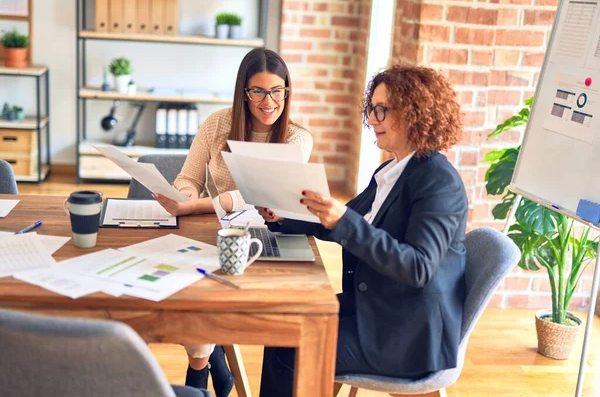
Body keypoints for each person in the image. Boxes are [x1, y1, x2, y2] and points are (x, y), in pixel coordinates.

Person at [257, 64, 468, 396]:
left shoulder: (439, 181)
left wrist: (342, 220)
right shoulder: (392, 170)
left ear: (414, 113)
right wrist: (282, 217)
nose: (372, 120)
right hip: (375, 307)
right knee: (281, 331)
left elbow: (418, 267)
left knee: (290, 349)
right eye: (371, 109)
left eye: (382, 110)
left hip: (407, 334)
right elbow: (342, 220)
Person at [153, 48, 313, 396]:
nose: (268, 102)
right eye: (258, 91)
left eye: (277, 91)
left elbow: (259, 194)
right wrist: (182, 194)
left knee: (209, 299)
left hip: (266, 240)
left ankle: (201, 374)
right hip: (217, 233)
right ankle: (210, 367)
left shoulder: (297, 138)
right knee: (183, 289)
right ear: (244, 91)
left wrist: (196, 206)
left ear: (287, 91)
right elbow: (189, 177)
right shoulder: (217, 124)